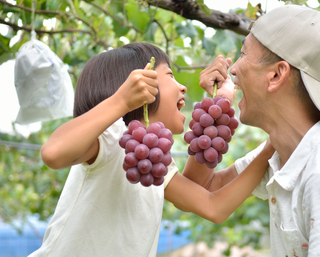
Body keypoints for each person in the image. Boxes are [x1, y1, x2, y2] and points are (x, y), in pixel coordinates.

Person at [182, 5, 320, 256]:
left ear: (276, 75)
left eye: (242, 54)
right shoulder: (281, 155)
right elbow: (200, 190)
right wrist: (218, 108)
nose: (233, 69)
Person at [30, 42, 274, 257]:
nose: (183, 88)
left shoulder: (152, 159)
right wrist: (121, 101)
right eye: (170, 75)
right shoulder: (112, 136)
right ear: (139, 85)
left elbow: (213, 206)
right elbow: (53, 152)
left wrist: (222, 103)